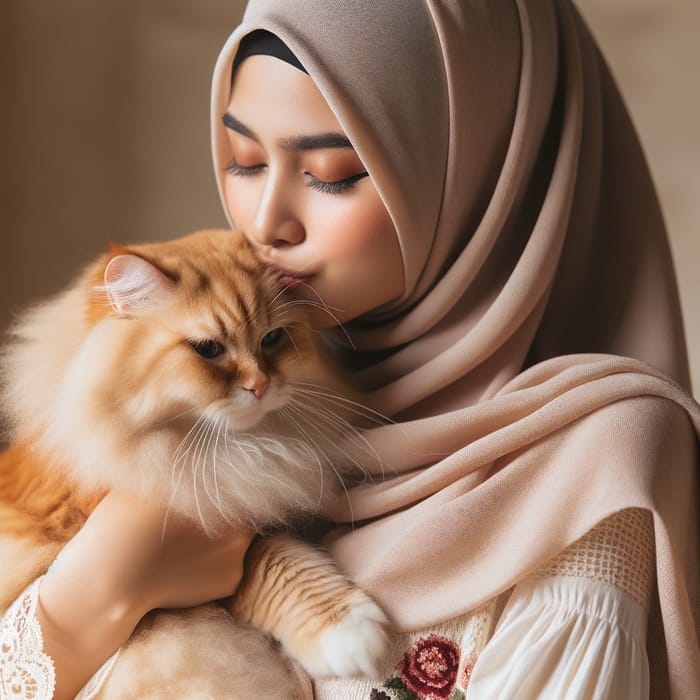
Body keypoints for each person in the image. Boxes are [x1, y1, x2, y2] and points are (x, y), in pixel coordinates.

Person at [2, 1, 698, 698]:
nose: (265, 223)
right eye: (243, 161)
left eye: (332, 173)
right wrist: (82, 608)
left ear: (485, 171)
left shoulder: (596, 464)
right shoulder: (244, 416)